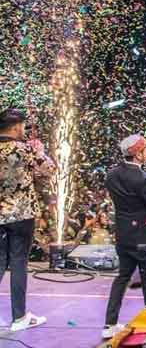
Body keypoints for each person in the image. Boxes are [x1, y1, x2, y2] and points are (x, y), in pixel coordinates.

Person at [102, 134, 146, 339]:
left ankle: (109, 324)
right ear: (138, 154)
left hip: (123, 235)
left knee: (122, 277)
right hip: (144, 237)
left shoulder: (111, 175)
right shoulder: (144, 178)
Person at [0, 108, 55, 331]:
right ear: (15, 127)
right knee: (19, 263)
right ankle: (19, 317)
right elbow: (49, 170)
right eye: (23, 125)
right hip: (21, 215)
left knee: (0, 262)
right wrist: (40, 151)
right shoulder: (24, 149)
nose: (24, 129)